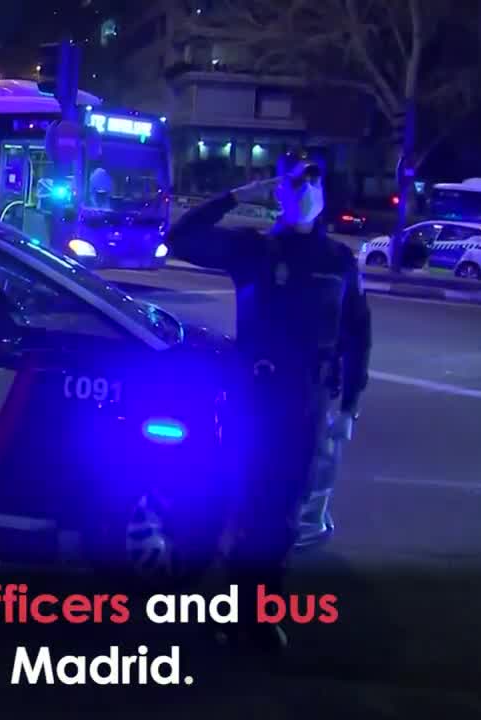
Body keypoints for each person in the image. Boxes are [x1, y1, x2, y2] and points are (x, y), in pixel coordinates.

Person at [166, 152, 371, 653]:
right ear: (277, 192)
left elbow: (356, 334)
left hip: (307, 404)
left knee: (280, 516)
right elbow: (180, 237)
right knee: (231, 504)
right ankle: (207, 609)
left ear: (323, 195)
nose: (303, 192)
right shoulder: (252, 250)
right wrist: (238, 194)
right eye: (292, 184)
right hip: (252, 398)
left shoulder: (339, 262)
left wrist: (349, 406)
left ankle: (257, 620)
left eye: (312, 184)